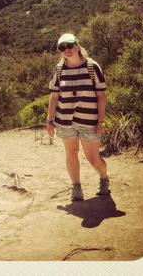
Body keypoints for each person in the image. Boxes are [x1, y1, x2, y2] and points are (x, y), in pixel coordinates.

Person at [46, 33, 110, 201]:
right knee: (71, 153)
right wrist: (50, 121)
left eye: (70, 45)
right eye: (62, 47)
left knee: (93, 158)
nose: (67, 50)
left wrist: (100, 122)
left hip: (89, 121)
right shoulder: (59, 70)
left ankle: (104, 178)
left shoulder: (92, 67)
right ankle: (76, 187)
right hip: (65, 121)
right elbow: (54, 96)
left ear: (77, 46)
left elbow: (101, 96)